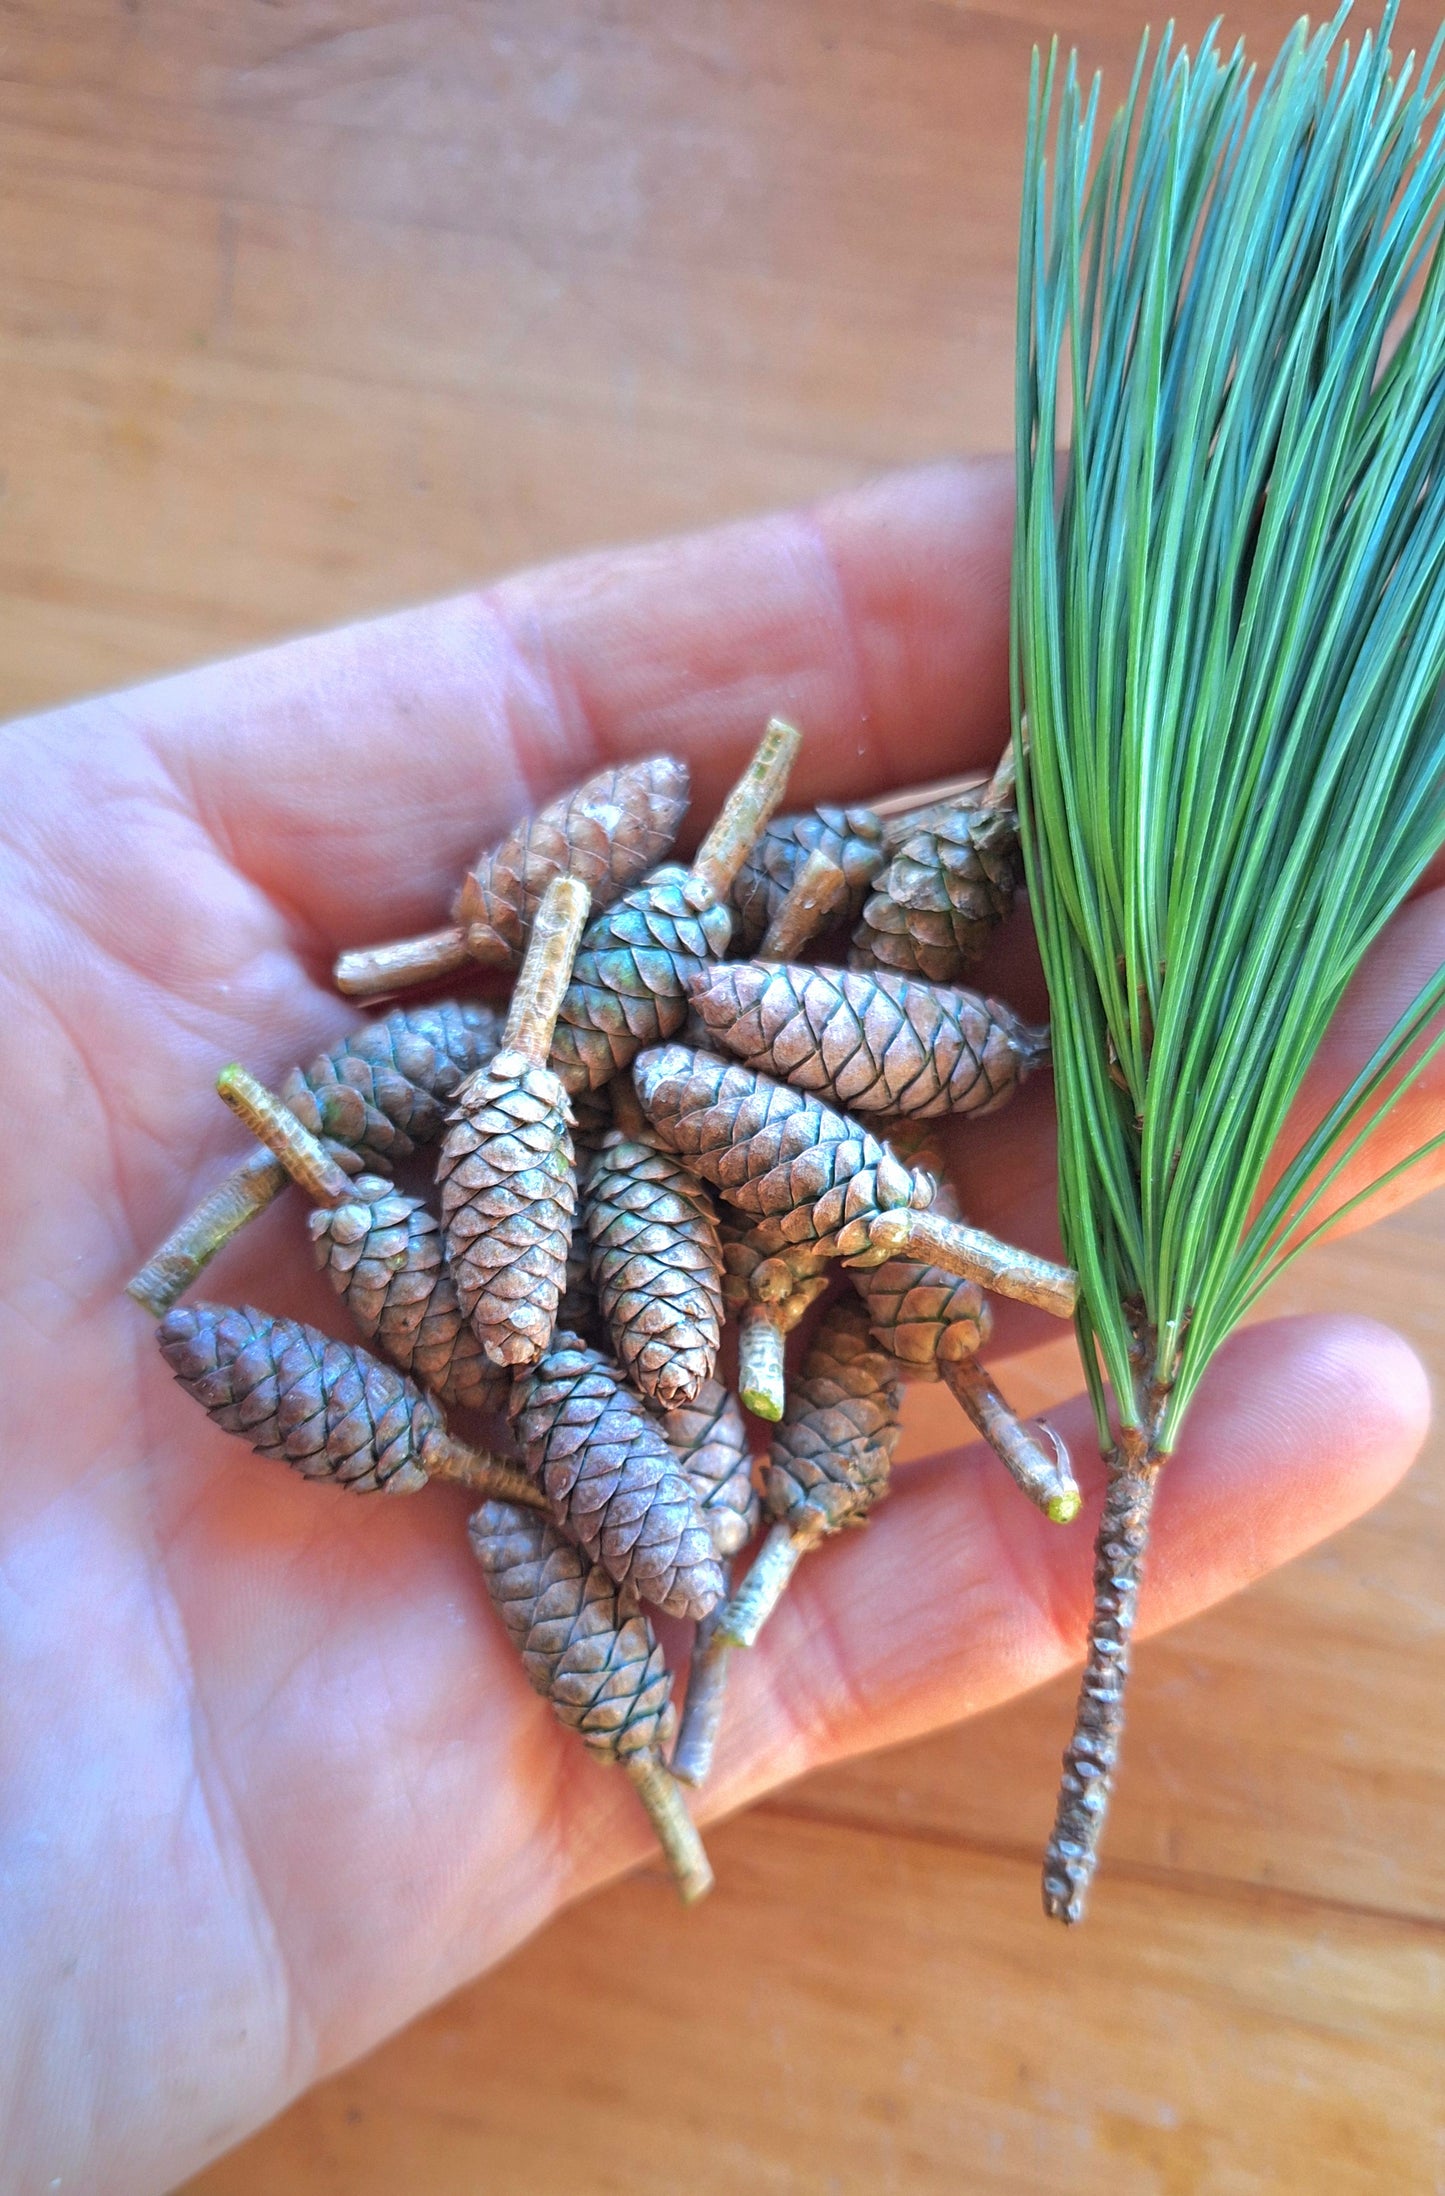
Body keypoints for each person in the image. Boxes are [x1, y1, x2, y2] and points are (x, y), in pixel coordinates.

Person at [0, 457, 1436, 2195]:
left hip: (645, 1232)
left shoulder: (659, 1182)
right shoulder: (562, 1224)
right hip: (604, 1240)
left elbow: (654, 1190)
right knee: (610, 1203)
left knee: (653, 1182)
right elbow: (576, 1266)